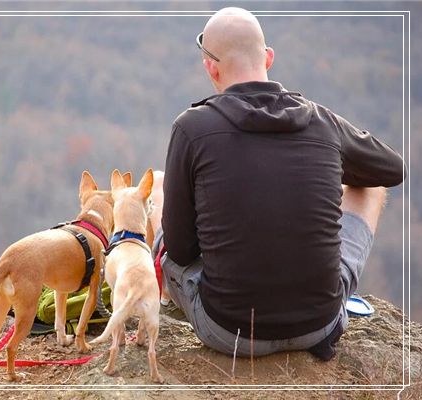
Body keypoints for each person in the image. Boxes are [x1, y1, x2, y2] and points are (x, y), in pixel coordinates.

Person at [160, 7, 405, 360]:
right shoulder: (322, 121)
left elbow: (180, 251)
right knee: (369, 185)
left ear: (210, 66)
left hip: (229, 330)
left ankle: (164, 305)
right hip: (319, 324)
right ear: (269, 58)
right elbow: (391, 170)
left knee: (159, 188)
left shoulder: (191, 128)